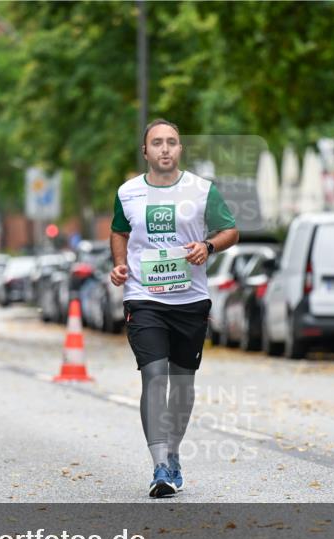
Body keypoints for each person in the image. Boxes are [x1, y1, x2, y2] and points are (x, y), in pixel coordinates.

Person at [110, 119, 239, 497]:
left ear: (180, 149)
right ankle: (160, 466)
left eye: (171, 142)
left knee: (182, 383)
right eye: (157, 143)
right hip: (143, 298)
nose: (164, 148)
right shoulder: (128, 192)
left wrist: (208, 246)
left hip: (190, 299)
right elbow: (119, 231)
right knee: (154, 376)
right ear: (145, 151)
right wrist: (119, 264)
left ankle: (174, 452)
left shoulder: (201, 189)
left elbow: (230, 230)